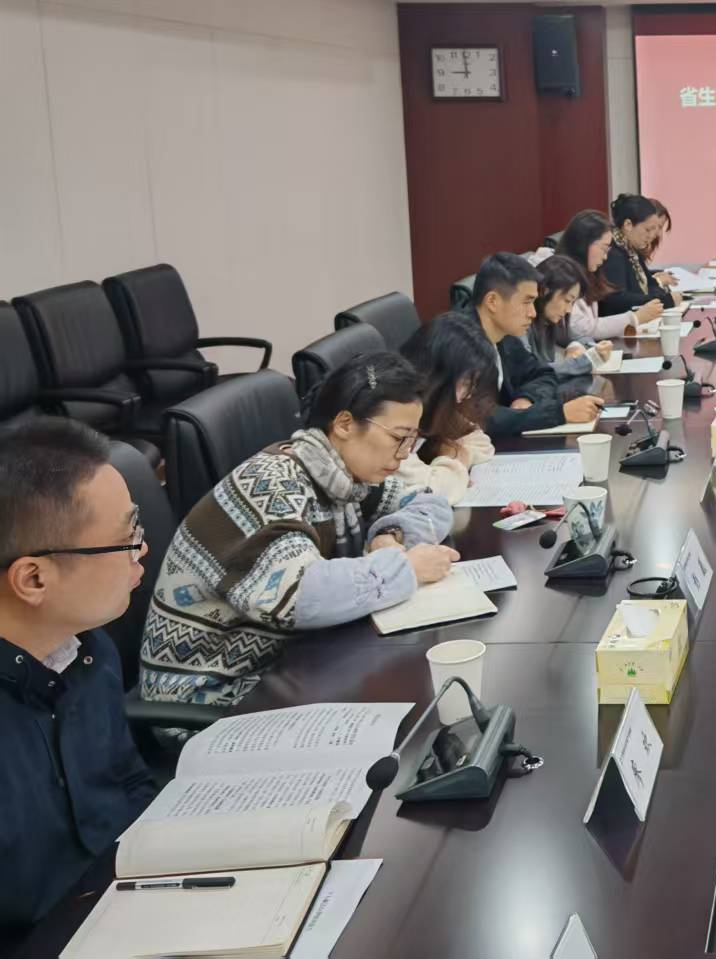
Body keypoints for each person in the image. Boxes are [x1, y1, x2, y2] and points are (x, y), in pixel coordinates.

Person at [140, 353, 460, 706]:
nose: (403, 455)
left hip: (290, 666)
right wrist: (406, 569)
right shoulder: (269, 487)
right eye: (398, 438)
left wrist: (391, 535)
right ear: (344, 424)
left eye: (411, 441)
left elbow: (431, 502)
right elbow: (304, 596)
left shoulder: (345, 478)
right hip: (216, 698)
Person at [0, 419, 157, 928]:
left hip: (129, 899)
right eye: (127, 537)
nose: (142, 550)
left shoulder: (87, 650)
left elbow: (128, 783)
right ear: (34, 578)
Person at [469, 252, 602, 435]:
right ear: (492, 301)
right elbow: (481, 418)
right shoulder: (460, 343)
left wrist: (527, 397)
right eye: (527, 302)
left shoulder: (504, 337)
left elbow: (542, 374)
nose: (532, 313)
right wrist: (560, 414)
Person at [396, 311, 498, 504]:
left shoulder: (431, 405)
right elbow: (435, 491)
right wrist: (457, 457)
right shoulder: (395, 414)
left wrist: (449, 450)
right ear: (438, 376)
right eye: (466, 383)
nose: (466, 395)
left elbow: (482, 443)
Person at [560, 208, 665, 340]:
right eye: (604, 248)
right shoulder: (565, 276)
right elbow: (579, 329)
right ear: (585, 243)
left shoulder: (588, 273)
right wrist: (635, 318)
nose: (605, 257)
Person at [528, 255, 613, 378]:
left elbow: (580, 337)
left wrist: (577, 346)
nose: (569, 310)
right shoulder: (522, 325)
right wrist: (589, 360)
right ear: (545, 291)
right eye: (567, 300)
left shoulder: (549, 320)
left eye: (573, 303)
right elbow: (534, 374)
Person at [602, 194, 678, 313]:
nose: (652, 236)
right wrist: (666, 301)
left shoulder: (631, 250)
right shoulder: (613, 253)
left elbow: (651, 285)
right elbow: (616, 300)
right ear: (628, 225)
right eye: (648, 230)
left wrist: (660, 297)